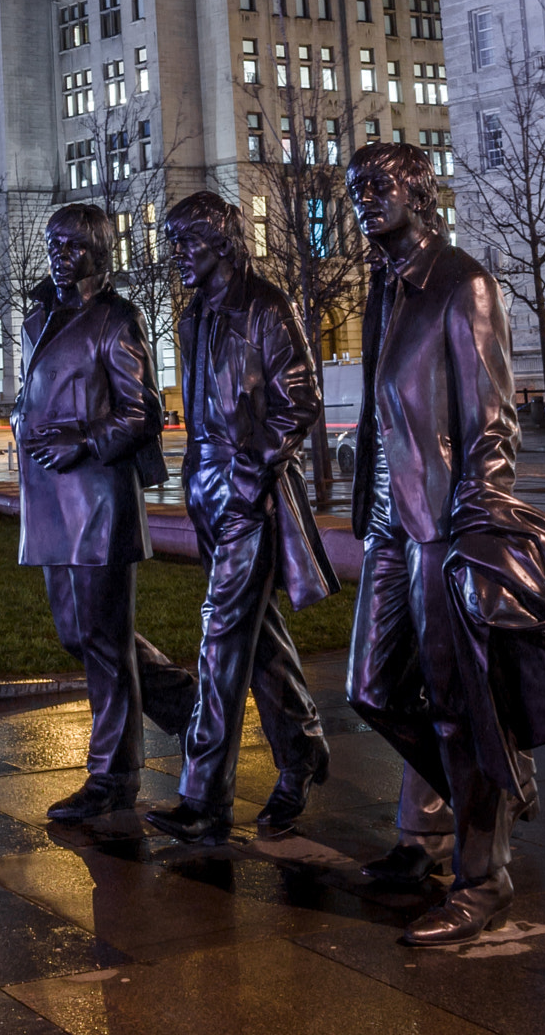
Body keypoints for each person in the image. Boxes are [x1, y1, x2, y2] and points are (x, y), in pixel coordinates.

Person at [344, 142, 545, 946]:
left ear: (417, 190)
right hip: (389, 520)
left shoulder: (461, 283)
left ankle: (482, 876)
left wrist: (477, 514)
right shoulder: (385, 285)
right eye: (354, 190)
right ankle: (497, 775)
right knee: (373, 690)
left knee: (457, 707)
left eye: (376, 186)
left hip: (443, 522)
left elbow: (491, 416)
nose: (362, 199)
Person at [145, 191, 337, 846]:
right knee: (258, 643)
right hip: (207, 496)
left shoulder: (264, 306)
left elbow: (300, 397)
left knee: (221, 641)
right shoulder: (195, 314)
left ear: (220, 241)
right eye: (173, 245)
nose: (176, 257)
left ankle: (203, 797)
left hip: (248, 498)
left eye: (186, 243)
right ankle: (303, 750)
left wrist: (252, 470)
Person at [14, 203, 195, 821]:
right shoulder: (38, 316)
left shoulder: (115, 317)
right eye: (51, 243)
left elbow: (142, 409)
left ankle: (112, 776)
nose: (58, 255)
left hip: (96, 498)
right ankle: (191, 707)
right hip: (49, 500)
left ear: (97, 249)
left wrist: (83, 441)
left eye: (70, 245)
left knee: (103, 639)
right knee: (79, 634)